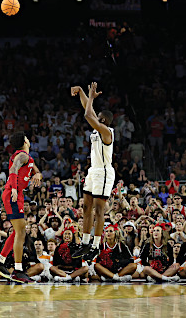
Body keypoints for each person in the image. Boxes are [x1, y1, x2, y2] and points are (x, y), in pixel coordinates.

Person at [70, 83, 116, 260]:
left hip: (104, 173)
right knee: (86, 207)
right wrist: (82, 91)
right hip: (93, 171)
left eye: (99, 118)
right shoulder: (99, 127)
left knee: (99, 210)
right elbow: (87, 108)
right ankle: (85, 242)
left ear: (103, 120)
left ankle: (95, 246)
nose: (95, 118)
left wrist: (90, 95)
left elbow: (88, 113)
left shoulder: (106, 132)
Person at [0, 132, 42, 283]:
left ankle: (0, 261)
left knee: (18, 231)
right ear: (25, 141)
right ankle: (18, 270)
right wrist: (14, 188)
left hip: (17, 194)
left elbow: (36, 171)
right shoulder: (22, 155)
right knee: (21, 232)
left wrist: (38, 175)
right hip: (13, 193)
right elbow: (13, 169)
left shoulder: (28, 157)